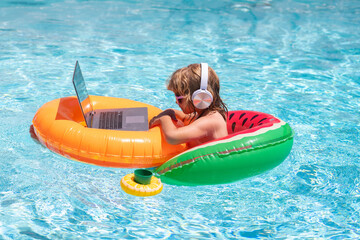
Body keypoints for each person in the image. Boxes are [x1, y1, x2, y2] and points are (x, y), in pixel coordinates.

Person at [149, 63, 228, 148]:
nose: (176, 102)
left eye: (179, 99)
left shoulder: (210, 122)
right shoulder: (207, 114)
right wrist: (170, 111)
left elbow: (172, 137)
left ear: (199, 96)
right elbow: (186, 118)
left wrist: (164, 118)